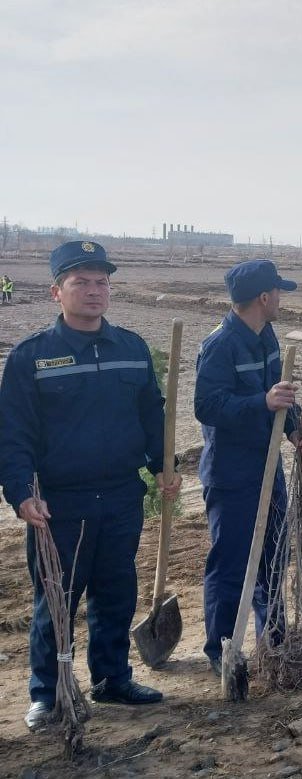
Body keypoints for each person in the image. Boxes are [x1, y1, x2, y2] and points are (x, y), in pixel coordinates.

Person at [0, 241, 177, 729]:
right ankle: (49, 693)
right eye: (81, 282)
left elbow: (151, 413)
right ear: (57, 291)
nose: (94, 291)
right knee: (56, 598)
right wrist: (20, 494)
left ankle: (112, 679)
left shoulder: (132, 348)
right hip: (59, 503)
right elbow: (13, 435)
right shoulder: (32, 357)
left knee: (116, 591)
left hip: (121, 495)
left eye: (102, 282)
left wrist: (163, 462)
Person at [195, 259, 302, 674]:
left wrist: (296, 431)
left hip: (269, 466)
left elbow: (280, 396)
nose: (281, 298)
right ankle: (222, 651)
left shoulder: (267, 337)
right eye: (278, 292)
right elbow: (206, 406)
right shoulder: (220, 345)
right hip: (231, 473)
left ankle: (274, 641)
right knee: (231, 564)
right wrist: (259, 403)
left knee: (273, 558)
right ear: (264, 297)